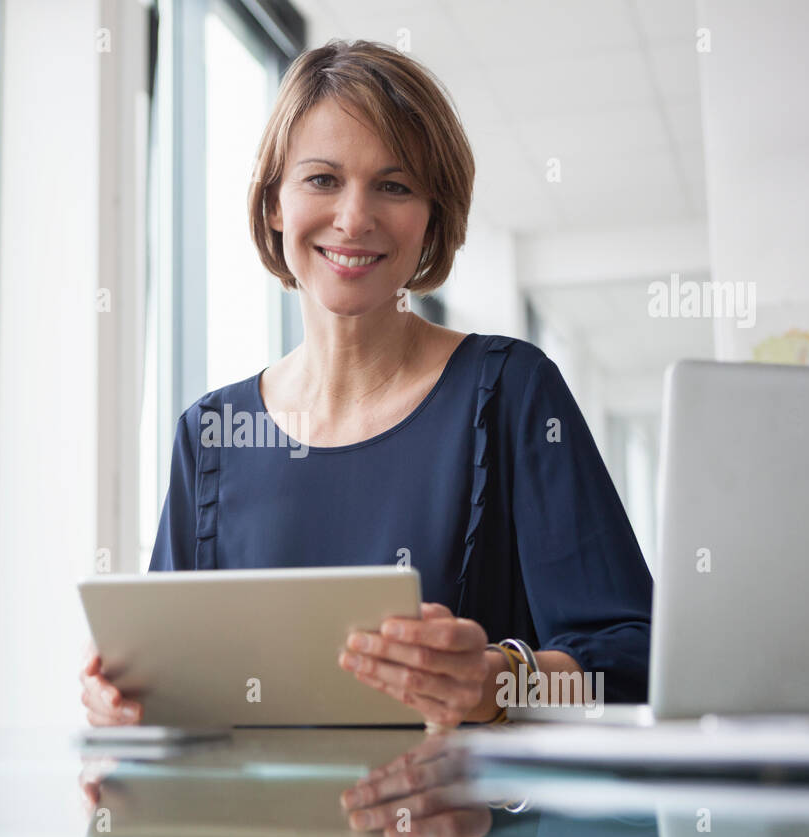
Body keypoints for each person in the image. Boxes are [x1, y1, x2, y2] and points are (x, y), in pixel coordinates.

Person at [81, 38, 651, 728]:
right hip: (257, 833)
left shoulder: (511, 393)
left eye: (394, 185)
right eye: (322, 179)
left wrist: (501, 682)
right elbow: (174, 685)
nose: (355, 218)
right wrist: (126, 703)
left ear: (431, 218)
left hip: (463, 833)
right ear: (273, 206)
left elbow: (633, 664)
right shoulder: (209, 436)